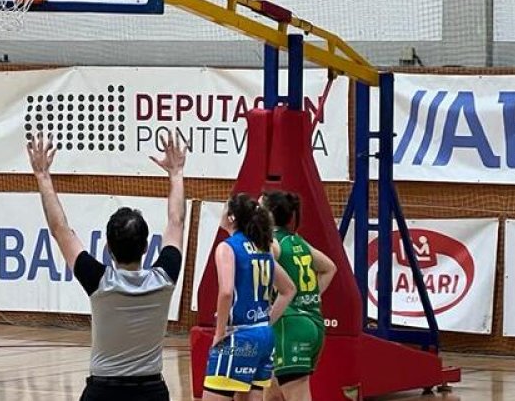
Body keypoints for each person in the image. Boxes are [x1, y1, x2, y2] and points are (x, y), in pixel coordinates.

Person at [26, 132, 187, 401]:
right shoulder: (164, 278)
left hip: (103, 392)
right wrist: (177, 173)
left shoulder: (98, 281)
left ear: (108, 249)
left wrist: (42, 176)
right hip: (151, 392)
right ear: (147, 247)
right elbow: (176, 223)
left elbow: (60, 229)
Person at [203, 193, 296, 401]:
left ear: (232, 217)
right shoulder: (264, 248)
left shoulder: (228, 247)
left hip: (239, 335)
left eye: (225, 207)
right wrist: (265, 321)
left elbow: (226, 291)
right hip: (264, 336)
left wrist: (219, 333)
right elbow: (289, 289)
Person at [261, 190, 337, 401]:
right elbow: (330, 268)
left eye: (260, 208)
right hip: (313, 323)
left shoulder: (272, 244)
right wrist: (309, 296)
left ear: (269, 214)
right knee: (273, 393)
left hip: (290, 326)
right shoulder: (298, 242)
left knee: (298, 395)